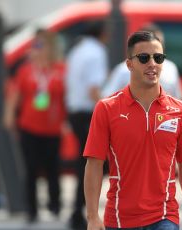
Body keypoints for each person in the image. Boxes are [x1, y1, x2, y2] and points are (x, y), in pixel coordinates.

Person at [83, 31, 182, 230]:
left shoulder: (181, 111)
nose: (152, 64)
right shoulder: (107, 108)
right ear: (129, 64)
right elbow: (94, 164)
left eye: (158, 58)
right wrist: (93, 217)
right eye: (144, 58)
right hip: (119, 219)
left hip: (165, 217)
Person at [3, 29, 65, 222]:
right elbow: (15, 96)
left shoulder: (60, 70)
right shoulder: (26, 71)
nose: (36, 50)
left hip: (53, 128)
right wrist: (9, 117)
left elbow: (66, 97)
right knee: (30, 169)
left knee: (53, 168)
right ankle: (32, 209)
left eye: (40, 45)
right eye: (35, 45)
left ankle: (55, 205)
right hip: (29, 127)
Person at [65, 20, 108, 229]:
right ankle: (80, 213)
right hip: (88, 113)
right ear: (101, 33)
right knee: (93, 164)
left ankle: (78, 212)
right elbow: (94, 89)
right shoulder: (97, 52)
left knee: (85, 163)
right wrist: (110, 110)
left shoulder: (77, 50)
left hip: (75, 112)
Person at [101, 23, 182, 100]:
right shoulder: (123, 70)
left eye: (160, 42)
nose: (152, 64)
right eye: (144, 57)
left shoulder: (171, 68)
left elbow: (178, 98)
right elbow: (108, 97)